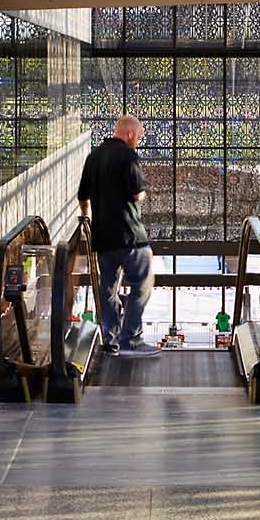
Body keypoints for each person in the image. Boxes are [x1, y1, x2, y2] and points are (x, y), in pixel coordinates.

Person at [78, 115, 157, 356]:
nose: (138, 142)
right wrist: (141, 194)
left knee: (108, 290)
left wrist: (88, 219)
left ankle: (109, 341)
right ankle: (131, 338)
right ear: (131, 134)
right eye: (139, 137)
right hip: (130, 236)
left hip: (103, 239)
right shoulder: (128, 155)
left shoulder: (93, 157)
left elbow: (83, 197)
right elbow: (137, 193)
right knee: (143, 285)